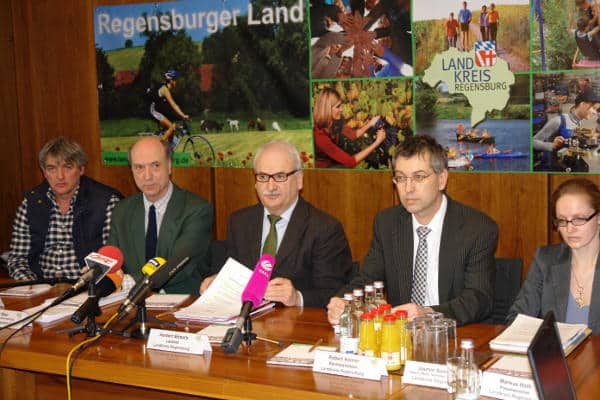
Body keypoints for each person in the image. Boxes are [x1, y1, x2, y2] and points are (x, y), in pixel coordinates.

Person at [327, 135, 498, 326]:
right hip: (401, 338)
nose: (408, 188)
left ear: (442, 179)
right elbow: (367, 280)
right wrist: (343, 301)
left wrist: (428, 313)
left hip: (454, 336)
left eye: (419, 177)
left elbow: (478, 299)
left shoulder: (477, 228)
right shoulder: (387, 223)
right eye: (400, 178)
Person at [200, 140, 353, 308]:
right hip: (247, 323)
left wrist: (298, 298)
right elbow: (233, 275)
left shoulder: (325, 229)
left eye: (280, 177)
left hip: (296, 327)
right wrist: (218, 283)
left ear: (299, 180)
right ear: (256, 183)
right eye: (263, 177)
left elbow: (335, 293)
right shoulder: (239, 222)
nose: (270, 186)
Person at [107, 136, 213, 294]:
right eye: (139, 167)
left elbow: (177, 267)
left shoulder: (197, 210)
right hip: (130, 303)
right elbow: (113, 260)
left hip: (180, 303)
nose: (147, 176)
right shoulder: (122, 210)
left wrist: (127, 281)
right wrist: (99, 272)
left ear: (169, 166)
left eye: (155, 166)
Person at [7, 137, 121, 280]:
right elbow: (18, 259)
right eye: (52, 168)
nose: (60, 176)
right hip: (40, 287)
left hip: (86, 288)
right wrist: (33, 286)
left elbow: (112, 258)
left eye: (67, 167)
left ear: (81, 169)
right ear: (44, 172)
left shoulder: (106, 202)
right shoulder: (31, 203)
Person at [508, 179, 600, 334]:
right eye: (562, 220)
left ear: (598, 218)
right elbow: (516, 319)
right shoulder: (545, 259)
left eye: (578, 219)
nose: (570, 229)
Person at [313, 88, 386, 168]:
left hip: (335, 162)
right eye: (338, 107)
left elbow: (353, 135)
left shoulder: (336, 122)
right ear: (327, 109)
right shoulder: (319, 137)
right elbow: (350, 162)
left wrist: (371, 123)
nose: (341, 110)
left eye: (341, 105)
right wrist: (377, 142)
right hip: (325, 170)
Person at [533, 89, 600, 170]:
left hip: (568, 166)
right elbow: (533, 142)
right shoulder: (558, 121)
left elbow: (572, 141)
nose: (595, 113)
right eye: (594, 108)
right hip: (551, 169)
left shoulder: (579, 121)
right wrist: (552, 146)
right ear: (583, 104)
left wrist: (592, 138)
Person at [148, 69, 190, 145]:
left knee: (172, 128)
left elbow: (169, 106)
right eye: (175, 80)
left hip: (159, 109)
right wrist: (183, 115)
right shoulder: (165, 90)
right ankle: (159, 148)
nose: (176, 82)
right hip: (154, 110)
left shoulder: (169, 89)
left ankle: (169, 150)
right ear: (171, 80)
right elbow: (174, 105)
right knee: (171, 127)